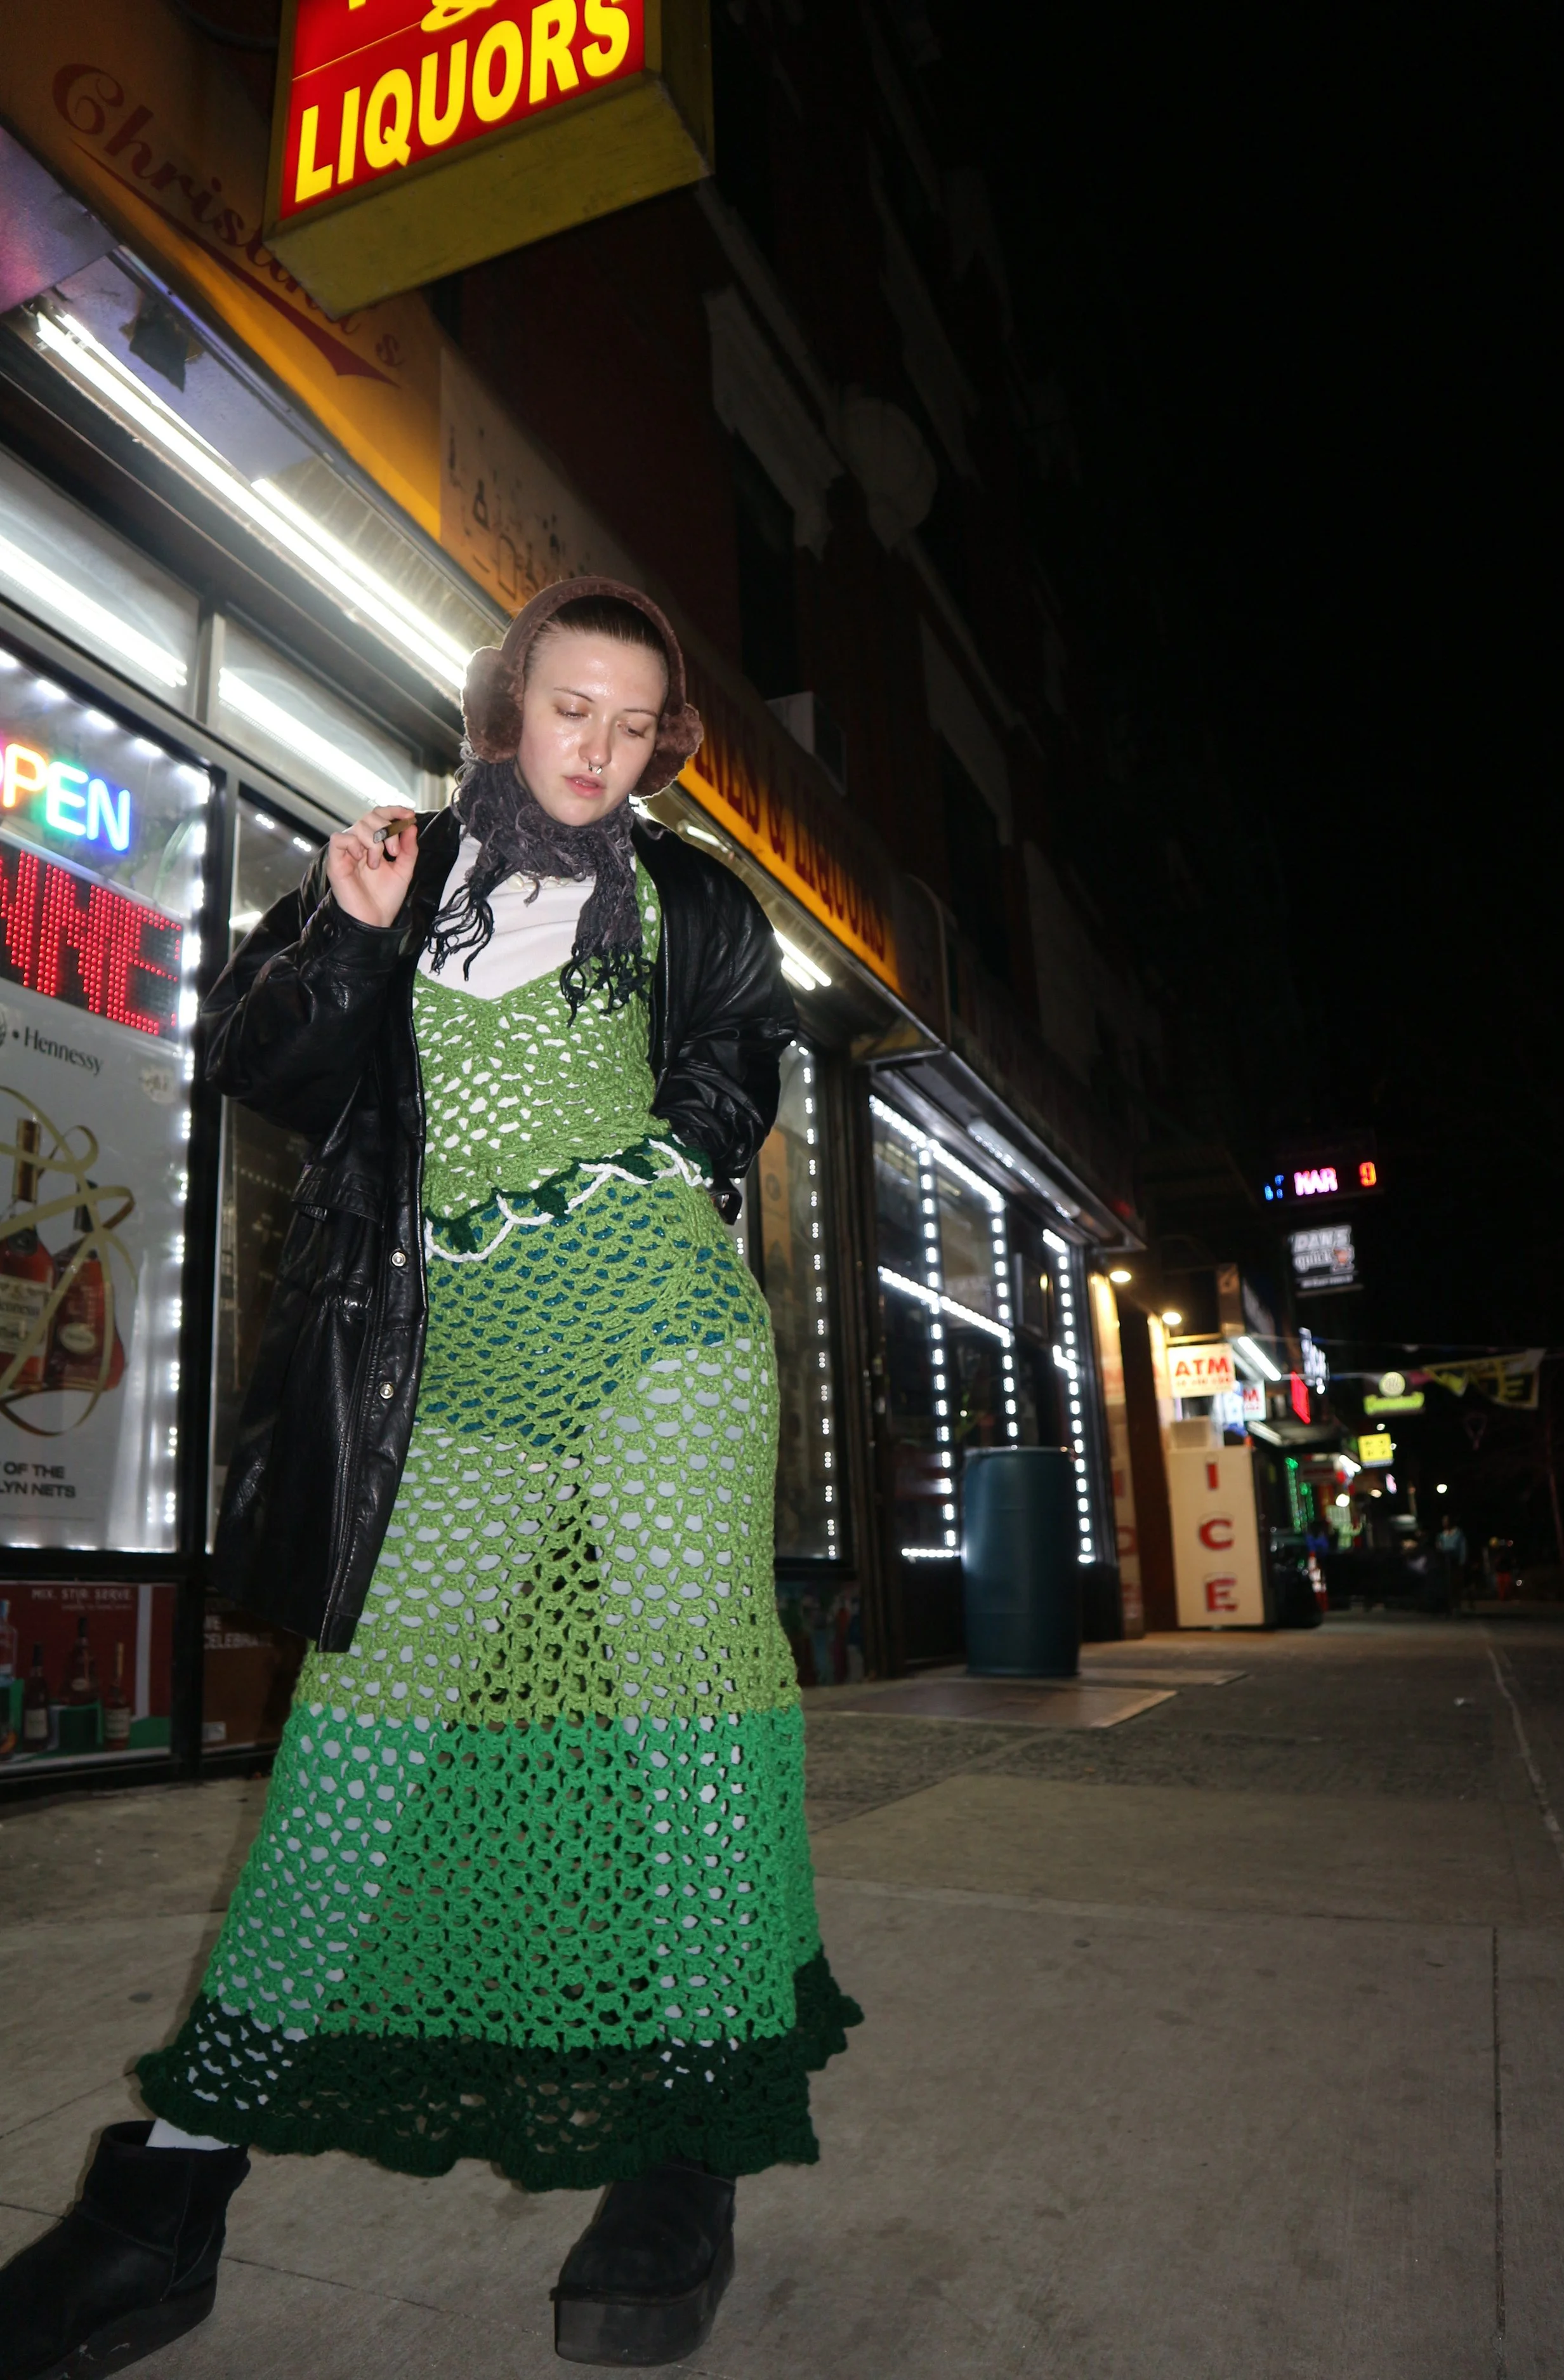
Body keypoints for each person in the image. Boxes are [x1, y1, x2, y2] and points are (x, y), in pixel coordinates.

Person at [1, 578, 860, 2376]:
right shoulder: (396, 863)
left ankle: (687, 2141)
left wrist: (645, 1169)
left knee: (687, 1710)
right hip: (448, 1363)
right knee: (357, 1739)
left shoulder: (689, 898)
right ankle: (170, 2184)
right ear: (502, 709)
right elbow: (256, 1059)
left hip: (659, 1334)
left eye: (633, 726)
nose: (599, 750)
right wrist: (340, 931)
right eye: (571, 711)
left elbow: (731, 1077)